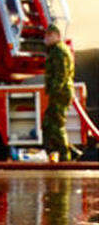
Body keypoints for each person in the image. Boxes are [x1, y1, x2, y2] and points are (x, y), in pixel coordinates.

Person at [43, 24, 75, 161]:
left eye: (50, 35)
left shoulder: (58, 51)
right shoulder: (56, 50)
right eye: (46, 35)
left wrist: (54, 90)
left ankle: (65, 155)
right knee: (49, 123)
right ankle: (68, 151)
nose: (47, 38)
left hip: (60, 93)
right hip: (60, 92)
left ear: (57, 35)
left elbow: (61, 75)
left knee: (56, 124)